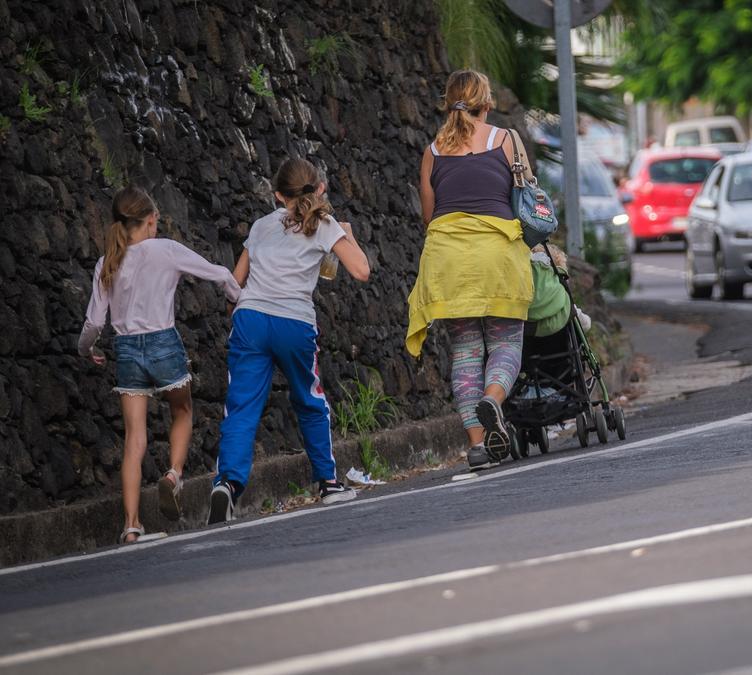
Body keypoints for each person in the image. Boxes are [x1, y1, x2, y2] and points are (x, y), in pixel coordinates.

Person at [209, 157, 371, 524]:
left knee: (241, 407)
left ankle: (227, 485)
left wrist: (246, 305)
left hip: (250, 318)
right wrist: (348, 235)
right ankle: (328, 484)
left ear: (278, 194)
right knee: (309, 400)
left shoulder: (261, 225)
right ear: (318, 188)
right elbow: (361, 270)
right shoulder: (326, 225)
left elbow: (234, 284)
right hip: (294, 322)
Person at [78, 186, 241, 544]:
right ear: (151, 220)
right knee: (182, 410)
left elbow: (93, 323)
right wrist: (238, 299)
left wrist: (85, 349)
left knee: (134, 438)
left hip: (126, 351)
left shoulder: (107, 261)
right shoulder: (165, 249)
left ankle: (132, 526)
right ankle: (173, 474)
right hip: (163, 342)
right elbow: (219, 273)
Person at [406, 69, 533, 471]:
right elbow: (528, 198)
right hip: (497, 256)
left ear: (448, 103)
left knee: (465, 351)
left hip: (449, 262)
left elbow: (429, 216)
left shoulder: (433, 151)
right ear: (488, 105)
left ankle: (477, 446)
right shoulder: (506, 140)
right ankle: (492, 401)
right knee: (506, 343)